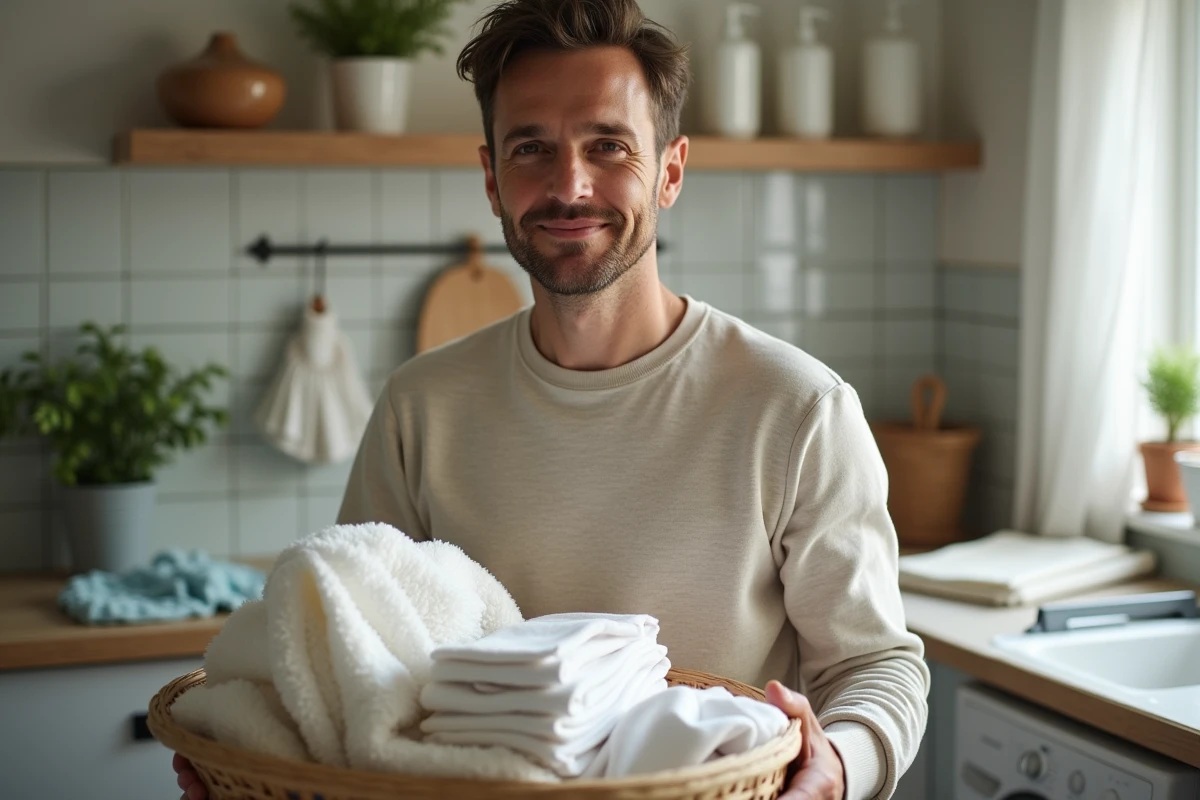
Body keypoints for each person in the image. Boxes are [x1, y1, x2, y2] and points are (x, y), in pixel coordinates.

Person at [176, 1, 929, 798]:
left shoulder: (798, 409)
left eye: (608, 146)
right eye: (532, 148)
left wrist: (837, 765)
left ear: (670, 171)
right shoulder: (419, 408)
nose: (570, 186)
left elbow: (876, 665)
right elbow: (354, 663)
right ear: (492, 179)